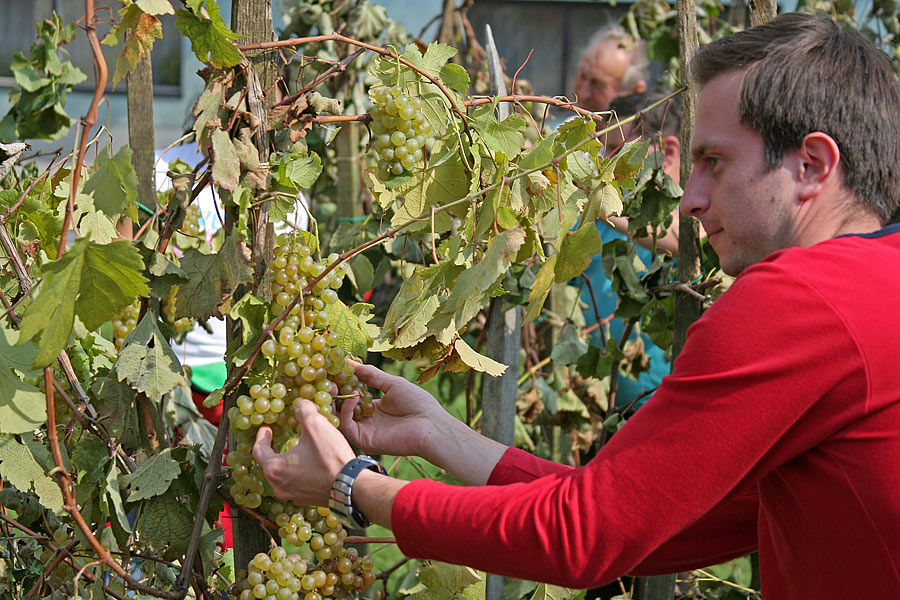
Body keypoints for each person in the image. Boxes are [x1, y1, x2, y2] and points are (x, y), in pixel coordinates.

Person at [252, 13, 900, 599]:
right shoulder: (876, 285)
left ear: (812, 165)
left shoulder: (802, 299)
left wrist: (354, 487)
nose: (689, 198)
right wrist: (438, 434)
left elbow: (583, 536)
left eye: (714, 162)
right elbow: (654, 527)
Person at [580, 87, 682, 411]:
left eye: (614, 151)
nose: (602, 165)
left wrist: (603, 207)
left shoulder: (702, 217)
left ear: (665, 153)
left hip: (668, 420)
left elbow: (684, 240)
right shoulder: (596, 226)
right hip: (603, 417)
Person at [574, 24, 649, 113]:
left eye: (598, 84)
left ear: (635, 92)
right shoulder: (566, 125)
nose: (583, 94)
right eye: (583, 77)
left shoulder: (654, 126)